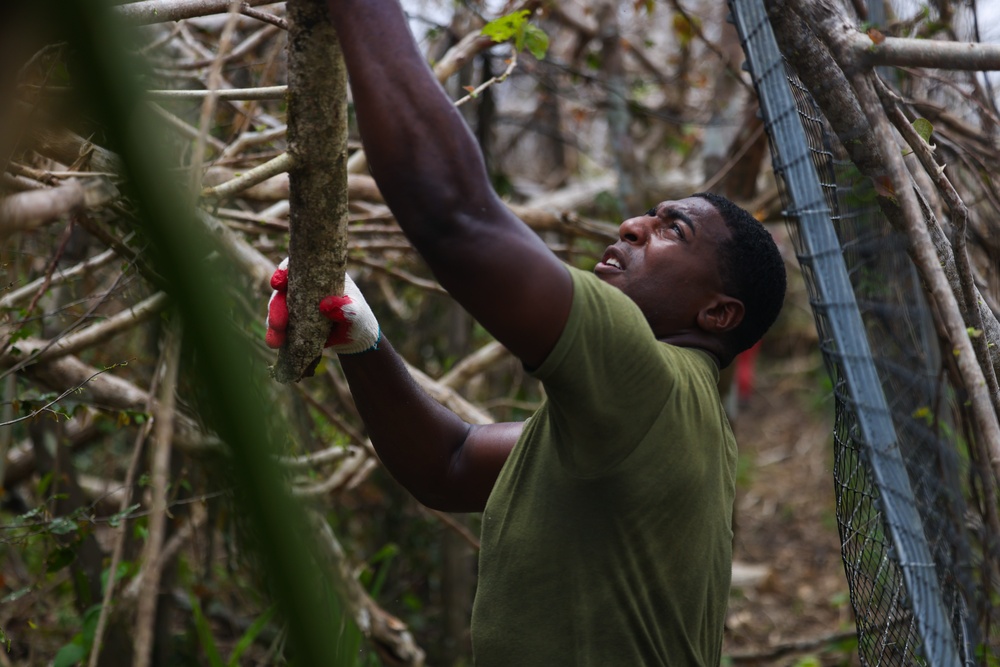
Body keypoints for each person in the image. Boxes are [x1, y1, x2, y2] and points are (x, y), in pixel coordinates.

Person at [266, 0, 787, 664]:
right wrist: (361, 337)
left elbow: (454, 215)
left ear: (718, 313)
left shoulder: (649, 384)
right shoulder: (642, 421)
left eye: (670, 230)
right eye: (647, 216)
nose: (632, 226)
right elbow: (451, 462)